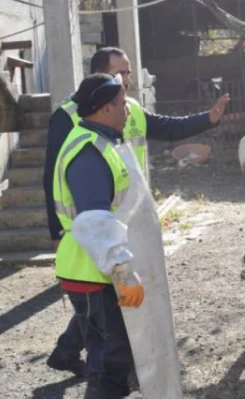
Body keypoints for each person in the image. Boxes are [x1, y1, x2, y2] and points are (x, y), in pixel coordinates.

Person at [44, 46, 228, 377]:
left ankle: (67, 353)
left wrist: (209, 118)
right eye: (122, 73)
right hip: (98, 236)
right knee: (107, 330)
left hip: (126, 226)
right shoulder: (73, 123)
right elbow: (60, 183)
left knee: (102, 315)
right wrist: (56, 232)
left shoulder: (127, 109)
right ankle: (85, 362)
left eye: (129, 73)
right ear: (101, 80)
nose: (128, 81)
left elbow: (167, 127)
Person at [52, 72, 180, 398]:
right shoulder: (88, 152)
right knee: (110, 363)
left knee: (116, 359)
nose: (128, 110)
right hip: (92, 271)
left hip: (96, 269)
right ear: (104, 108)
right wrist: (123, 272)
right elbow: (94, 220)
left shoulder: (103, 142)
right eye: (122, 104)